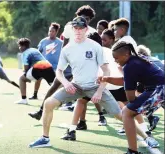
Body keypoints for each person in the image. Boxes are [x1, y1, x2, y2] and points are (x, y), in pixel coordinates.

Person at [28, 16, 158, 149]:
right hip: (76, 86)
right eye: (75, 28)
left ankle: (147, 137)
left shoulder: (95, 46)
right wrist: (67, 83)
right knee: (49, 103)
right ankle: (45, 138)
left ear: (85, 29)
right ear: (72, 30)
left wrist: (100, 91)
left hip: (95, 87)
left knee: (121, 114)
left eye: (81, 28)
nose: (78, 31)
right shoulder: (67, 49)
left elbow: (106, 71)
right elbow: (59, 72)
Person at [101, 41, 163, 154]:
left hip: (158, 88)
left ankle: (132, 151)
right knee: (130, 110)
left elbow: (130, 97)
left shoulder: (129, 66)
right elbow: (125, 81)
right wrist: (107, 78)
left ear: (125, 55)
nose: (115, 61)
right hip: (159, 86)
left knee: (126, 112)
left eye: (116, 58)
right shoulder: (136, 59)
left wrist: (137, 108)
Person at [29, 22, 69, 100]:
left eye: (53, 31)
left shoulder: (61, 43)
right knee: (38, 79)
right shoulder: (43, 41)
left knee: (55, 83)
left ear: (56, 32)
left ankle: (56, 97)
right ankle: (35, 94)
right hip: (43, 65)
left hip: (54, 67)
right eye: (49, 31)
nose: (50, 33)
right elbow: (38, 52)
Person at [15, 38, 55, 104]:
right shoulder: (34, 50)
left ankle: (24, 99)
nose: (19, 48)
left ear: (23, 46)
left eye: (20, 46)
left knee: (22, 79)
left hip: (38, 68)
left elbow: (26, 68)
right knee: (54, 85)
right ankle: (65, 101)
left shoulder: (24, 53)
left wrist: (27, 76)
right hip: (48, 66)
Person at [136, 44, 164, 131]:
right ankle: (151, 118)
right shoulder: (156, 59)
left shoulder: (141, 61)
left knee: (137, 105)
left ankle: (151, 118)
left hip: (155, 87)